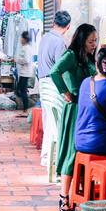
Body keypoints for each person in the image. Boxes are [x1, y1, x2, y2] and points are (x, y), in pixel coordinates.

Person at [50, 23, 98, 211]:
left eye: (95, 40)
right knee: (72, 151)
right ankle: (64, 198)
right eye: (90, 41)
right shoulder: (70, 56)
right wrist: (65, 92)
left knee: (81, 151)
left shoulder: (87, 57)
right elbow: (54, 71)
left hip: (87, 110)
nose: (94, 44)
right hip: (75, 109)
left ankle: (81, 195)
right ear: (81, 40)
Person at [38, 10, 72, 166]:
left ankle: (47, 156)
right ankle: (53, 158)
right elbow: (60, 69)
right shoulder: (59, 42)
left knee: (49, 120)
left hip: (43, 83)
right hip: (53, 85)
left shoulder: (45, 37)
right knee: (56, 123)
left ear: (54, 22)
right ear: (68, 27)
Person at [15, 31, 33, 117]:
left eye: (22, 38)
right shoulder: (25, 47)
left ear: (25, 39)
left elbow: (26, 60)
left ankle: (26, 109)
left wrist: (17, 60)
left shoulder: (27, 48)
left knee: (21, 91)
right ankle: (25, 109)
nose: (20, 40)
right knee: (21, 90)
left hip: (25, 73)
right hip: (24, 72)